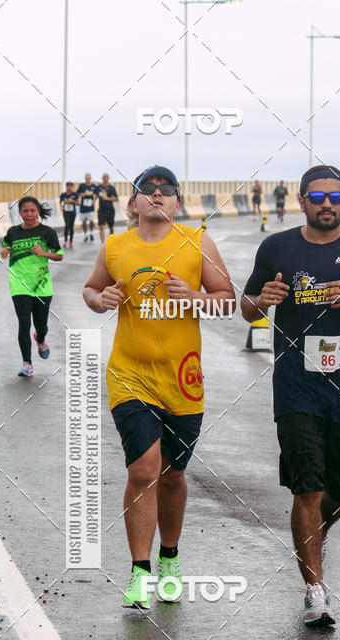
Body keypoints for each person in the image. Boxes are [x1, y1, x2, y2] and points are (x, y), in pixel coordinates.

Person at [241, 164, 340, 627]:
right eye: (317, 196)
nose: (326, 204)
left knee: (338, 493)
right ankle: (316, 591)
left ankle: (314, 534)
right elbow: (246, 307)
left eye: (335, 197)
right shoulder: (277, 247)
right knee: (306, 488)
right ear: (301, 200)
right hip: (295, 386)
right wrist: (262, 300)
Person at [83, 165, 235, 610]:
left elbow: (228, 299)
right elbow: (91, 290)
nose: (156, 195)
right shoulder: (115, 246)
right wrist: (100, 300)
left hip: (182, 380)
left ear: (177, 202)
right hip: (129, 375)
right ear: (133, 203)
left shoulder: (197, 241)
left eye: (165, 190)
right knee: (144, 469)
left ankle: (170, 558)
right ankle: (140, 573)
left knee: (173, 474)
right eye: (146, 190)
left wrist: (197, 298)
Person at [0, 197, 63, 376]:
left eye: (32, 211)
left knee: (40, 324)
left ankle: (41, 338)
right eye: (25, 211)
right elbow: (4, 251)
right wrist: (4, 252)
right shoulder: (12, 232)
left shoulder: (47, 232)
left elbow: (59, 255)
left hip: (42, 286)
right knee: (24, 323)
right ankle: (27, 363)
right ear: (19, 212)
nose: (29, 214)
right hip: (19, 285)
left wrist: (43, 253)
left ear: (37, 212)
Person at [97, 173, 118, 243]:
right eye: (104, 177)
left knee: (111, 228)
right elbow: (95, 195)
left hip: (110, 210)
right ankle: (102, 243)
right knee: (101, 227)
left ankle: (111, 241)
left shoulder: (111, 188)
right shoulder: (99, 187)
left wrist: (107, 198)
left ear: (108, 178)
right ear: (102, 178)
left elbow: (116, 198)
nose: (105, 179)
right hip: (101, 210)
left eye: (106, 177)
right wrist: (92, 201)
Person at [77, 173, 97, 241]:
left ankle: (91, 233)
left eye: (89, 178)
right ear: (85, 178)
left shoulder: (93, 186)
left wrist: (94, 200)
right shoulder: (81, 186)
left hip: (90, 207)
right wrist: (80, 194)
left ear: (90, 178)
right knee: (84, 222)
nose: (87, 179)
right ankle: (85, 235)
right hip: (83, 207)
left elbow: (97, 194)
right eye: (86, 178)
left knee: (91, 221)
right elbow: (77, 193)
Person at [59, 181, 78, 248]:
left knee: (71, 226)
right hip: (66, 212)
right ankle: (65, 241)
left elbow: (78, 203)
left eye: (70, 186)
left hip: (72, 212)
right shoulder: (63, 195)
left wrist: (73, 201)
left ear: (72, 187)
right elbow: (60, 203)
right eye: (68, 186)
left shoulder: (75, 194)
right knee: (67, 225)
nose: (69, 187)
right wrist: (61, 207)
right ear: (66, 187)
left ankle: (71, 242)